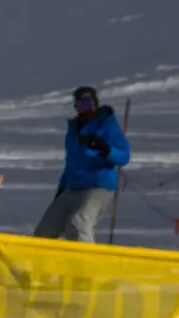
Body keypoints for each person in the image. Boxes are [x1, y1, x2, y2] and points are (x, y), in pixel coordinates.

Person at [33, 86, 130, 243]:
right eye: (82, 105)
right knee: (46, 229)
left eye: (90, 105)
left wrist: (104, 148)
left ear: (96, 104)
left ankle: (86, 263)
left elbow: (124, 156)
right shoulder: (74, 128)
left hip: (99, 184)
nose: (87, 110)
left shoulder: (107, 124)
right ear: (76, 107)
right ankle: (39, 263)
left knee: (79, 222)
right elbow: (71, 162)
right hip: (73, 186)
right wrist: (62, 188)